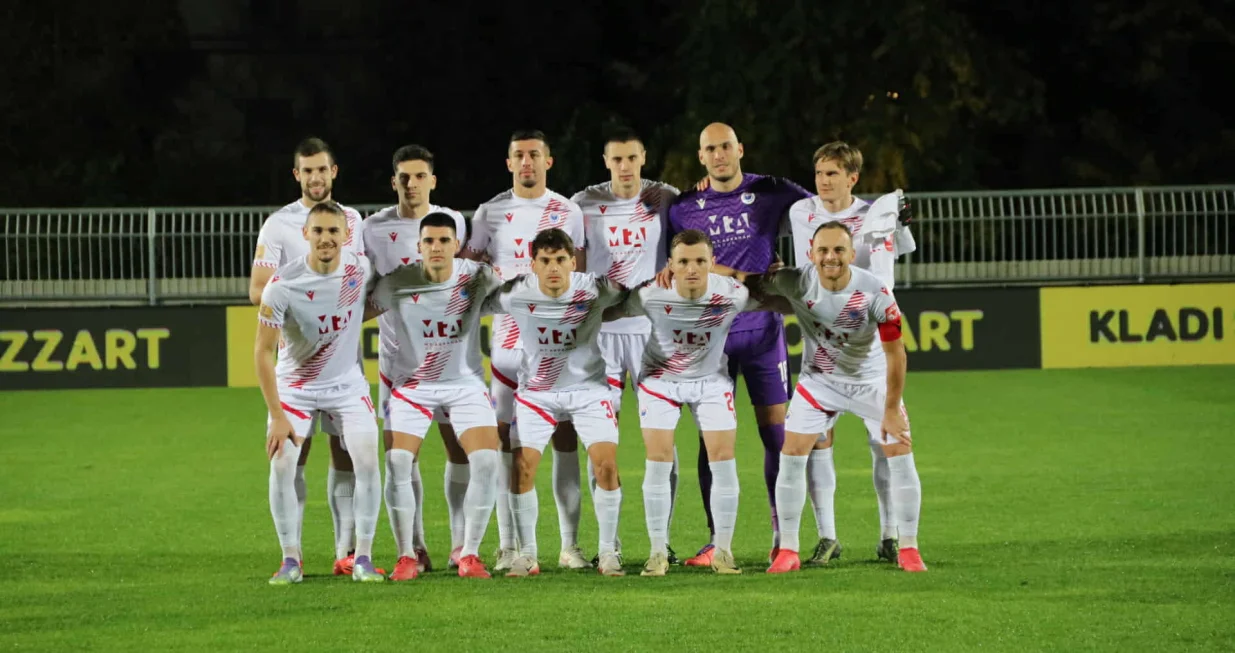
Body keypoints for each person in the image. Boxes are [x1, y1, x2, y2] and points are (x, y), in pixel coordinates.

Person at [660, 123, 811, 565]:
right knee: (712, 442)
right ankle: (715, 540)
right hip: (711, 337)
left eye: (726, 146)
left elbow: (822, 212)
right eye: (711, 149)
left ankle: (785, 538)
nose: (720, 154)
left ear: (740, 149)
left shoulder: (772, 190)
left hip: (763, 329)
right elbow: (675, 265)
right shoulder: (684, 208)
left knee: (777, 435)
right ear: (701, 157)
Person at [743, 221, 926, 574]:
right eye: (823, 250)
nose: (830, 257)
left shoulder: (876, 292)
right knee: (792, 454)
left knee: (900, 452)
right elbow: (750, 282)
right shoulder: (795, 280)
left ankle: (909, 547)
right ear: (810, 253)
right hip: (819, 383)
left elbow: (897, 355)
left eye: (839, 250)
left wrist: (890, 410)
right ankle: (789, 551)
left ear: (851, 253)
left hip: (870, 383)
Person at [462, 130, 591, 571]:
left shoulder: (568, 211)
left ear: (548, 161)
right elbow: (468, 272)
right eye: (519, 155)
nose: (527, 162)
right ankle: (509, 545)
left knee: (564, 437)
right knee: (505, 443)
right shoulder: (490, 212)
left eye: (535, 154)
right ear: (509, 162)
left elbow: (582, 277)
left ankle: (570, 546)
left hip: (556, 348)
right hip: (507, 345)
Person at [785, 141, 916, 565]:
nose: (824, 182)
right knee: (818, 441)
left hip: (868, 341)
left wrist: (901, 224)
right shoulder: (800, 213)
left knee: (882, 444)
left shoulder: (874, 214)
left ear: (853, 178)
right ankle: (827, 536)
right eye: (819, 173)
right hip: (822, 341)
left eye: (833, 174)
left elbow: (900, 255)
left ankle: (890, 533)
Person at [611, 229, 770, 576]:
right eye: (683, 262)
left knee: (723, 458)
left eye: (700, 260)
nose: (692, 268)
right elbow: (613, 309)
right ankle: (657, 553)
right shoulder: (652, 294)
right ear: (670, 265)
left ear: (713, 263)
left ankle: (724, 552)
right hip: (660, 380)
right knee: (659, 459)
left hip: (711, 381)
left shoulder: (732, 294)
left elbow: (778, 299)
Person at [248, 137, 370, 576]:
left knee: (345, 456)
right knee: (293, 456)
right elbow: (257, 291)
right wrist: (306, 301)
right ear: (296, 175)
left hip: (342, 361)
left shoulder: (351, 219)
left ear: (333, 172)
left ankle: (345, 552)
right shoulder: (278, 226)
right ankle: (292, 555)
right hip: (299, 362)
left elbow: (360, 283)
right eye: (307, 170)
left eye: (322, 169)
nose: (315, 177)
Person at [364, 213, 504, 579]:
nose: (437, 247)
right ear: (419, 247)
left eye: (444, 240)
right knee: (397, 463)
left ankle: (469, 553)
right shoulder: (397, 283)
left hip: (465, 385)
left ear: (457, 245)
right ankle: (407, 554)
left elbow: (520, 299)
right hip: (413, 386)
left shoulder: (479, 277)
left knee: (487, 461)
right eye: (429, 241)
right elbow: (353, 316)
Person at [482, 229, 627, 577]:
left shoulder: (595, 288)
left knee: (605, 465)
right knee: (523, 468)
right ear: (533, 264)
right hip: (538, 394)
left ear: (572, 262)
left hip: (589, 390)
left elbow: (632, 299)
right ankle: (527, 554)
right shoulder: (517, 292)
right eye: (545, 261)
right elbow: (474, 303)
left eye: (560, 260)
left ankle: (608, 552)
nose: (553, 268)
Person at [570, 127, 682, 563]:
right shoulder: (583, 203)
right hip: (603, 336)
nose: (625, 167)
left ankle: (662, 540)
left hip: (653, 333)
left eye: (632, 159)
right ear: (605, 161)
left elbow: (702, 208)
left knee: (663, 443)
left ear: (643, 158)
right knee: (602, 441)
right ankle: (608, 544)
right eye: (617, 159)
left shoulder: (665, 197)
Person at [363, 144, 471, 571]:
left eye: (419, 176)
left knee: (458, 451)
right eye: (403, 177)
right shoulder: (372, 229)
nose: (411, 184)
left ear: (433, 180)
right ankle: (415, 547)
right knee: (401, 458)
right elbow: (363, 286)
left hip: (448, 360)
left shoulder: (453, 221)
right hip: (398, 365)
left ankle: (462, 544)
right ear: (394, 182)